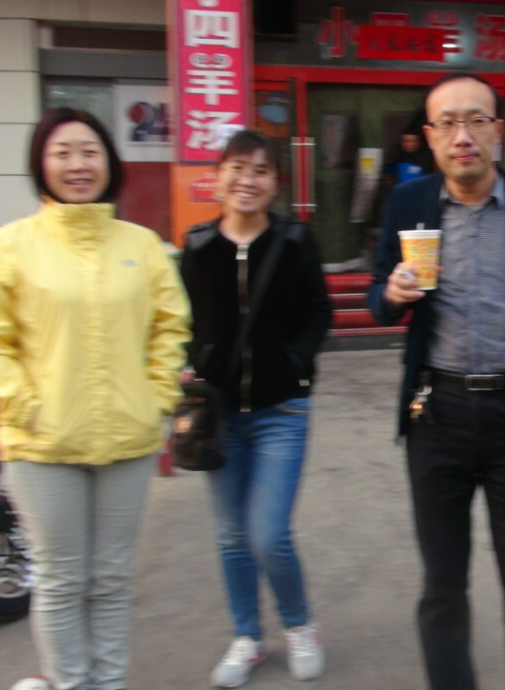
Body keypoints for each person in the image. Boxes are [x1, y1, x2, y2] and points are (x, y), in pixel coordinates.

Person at [367, 72, 505, 690]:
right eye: (447, 123)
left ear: (498, 131)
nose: (462, 136)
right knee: (443, 584)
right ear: (429, 136)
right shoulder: (408, 204)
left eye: (476, 120)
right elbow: (379, 293)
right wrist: (391, 295)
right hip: (436, 411)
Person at [0, 107, 191, 690]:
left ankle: (107, 683)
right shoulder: (6, 247)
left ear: (109, 162)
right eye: (62, 153)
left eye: (89, 151)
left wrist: (156, 398)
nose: (77, 165)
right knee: (61, 580)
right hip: (42, 446)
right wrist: (23, 404)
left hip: (128, 440)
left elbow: (170, 328)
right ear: (41, 164)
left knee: (111, 578)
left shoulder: (142, 246)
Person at [179, 130, 332, 687]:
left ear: (275, 184)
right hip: (218, 415)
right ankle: (246, 636)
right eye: (238, 168)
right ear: (218, 176)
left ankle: (298, 625)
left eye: (261, 171)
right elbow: (180, 321)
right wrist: (191, 363)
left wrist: (294, 361)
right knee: (230, 535)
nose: (248, 180)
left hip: (281, 412)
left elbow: (319, 312)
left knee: (268, 535)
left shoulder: (294, 241)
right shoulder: (197, 247)